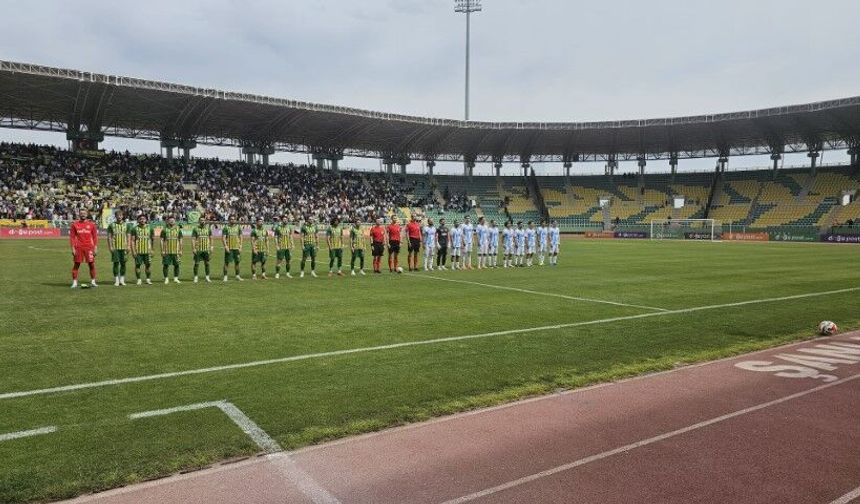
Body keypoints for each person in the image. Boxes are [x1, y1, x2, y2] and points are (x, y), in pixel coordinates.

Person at [69, 208, 98, 288]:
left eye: (84, 213)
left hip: (89, 248)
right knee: (76, 264)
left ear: (87, 214)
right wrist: (73, 248)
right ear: (79, 214)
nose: (83, 215)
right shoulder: (74, 224)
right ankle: (74, 282)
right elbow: (72, 237)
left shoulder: (92, 225)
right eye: (81, 213)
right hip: (78, 248)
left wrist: (95, 247)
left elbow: (95, 237)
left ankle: (93, 281)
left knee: (91, 264)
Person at [129, 214, 154, 285]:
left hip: (147, 251)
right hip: (138, 251)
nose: (142, 220)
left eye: (143, 219)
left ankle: (148, 279)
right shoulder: (134, 229)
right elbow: (132, 241)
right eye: (140, 219)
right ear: (138, 220)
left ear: (146, 220)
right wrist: (133, 251)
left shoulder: (150, 228)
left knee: (148, 265)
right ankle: (139, 279)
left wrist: (152, 250)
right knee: (137, 265)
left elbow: (152, 240)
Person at [107, 210, 129, 286]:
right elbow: (109, 237)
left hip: (124, 248)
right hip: (115, 248)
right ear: (115, 216)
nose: (119, 217)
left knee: (123, 264)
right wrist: (110, 247)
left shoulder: (126, 225)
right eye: (118, 215)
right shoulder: (111, 225)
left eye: (121, 215)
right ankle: (116, 280)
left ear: (123, 216)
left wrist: (128, 246)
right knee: (116, 263)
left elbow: (128, 236)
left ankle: (122, 279)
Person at [160, 215, 183, 284]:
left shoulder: (178, 230)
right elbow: (161, 240)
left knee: (177, 265)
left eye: (173, 220)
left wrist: (181, 250)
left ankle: (176, 278)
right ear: (167, 221)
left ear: (175, 221)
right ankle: (166, 278)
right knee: (166, 265)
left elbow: (181, 240)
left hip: (176, 251)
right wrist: (162, 250)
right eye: (170, 220)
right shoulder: (164, 230)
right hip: (167, 251)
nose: (172, 221)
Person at [222, 216, 244, 282]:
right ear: (229, 220)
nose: (233, 220)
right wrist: (225, 246)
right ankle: (225, 276)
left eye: (234, 219)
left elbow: (241, 237)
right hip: (229, 248)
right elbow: (223, 238)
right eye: (231, 219)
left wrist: (240, 246)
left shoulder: (238, 227)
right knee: (226, 262)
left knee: (237, 262)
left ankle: (237, 276)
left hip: (236, 248)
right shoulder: (226, 228)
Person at [191, 217, 213, 283]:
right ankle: (195, 277)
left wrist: (211, 246)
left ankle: (207, 277)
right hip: (198, 249)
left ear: (205, 221)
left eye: (203, 220)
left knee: (207, 263)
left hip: (206, 249)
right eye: (201, 220)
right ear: (199, 221)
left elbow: (211, 238)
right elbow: (193, 239)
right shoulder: (195, 229)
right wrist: (193, 248)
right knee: (196, 263)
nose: (202, 221)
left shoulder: (208, 229)